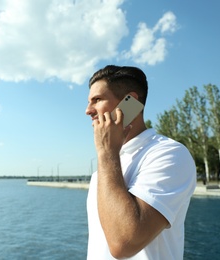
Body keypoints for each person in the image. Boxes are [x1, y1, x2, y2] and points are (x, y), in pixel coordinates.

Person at [85, 65, 196, 259]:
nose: (88, 110)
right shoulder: (103, 171)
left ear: (130, 102)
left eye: (97, 100)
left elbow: (124, 244)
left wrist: (106, 152)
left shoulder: (169, 154)